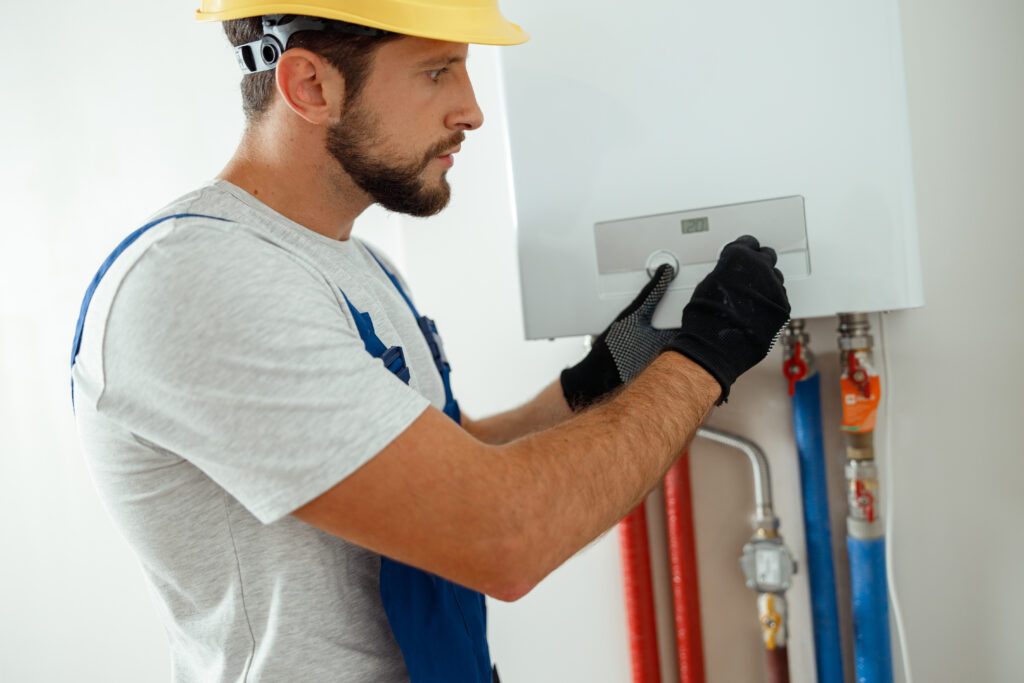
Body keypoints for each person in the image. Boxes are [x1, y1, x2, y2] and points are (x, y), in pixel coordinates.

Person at [70, 2, 791, 681]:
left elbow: (448, 463)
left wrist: (599, 379)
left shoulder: (351, 263)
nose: (472, 110)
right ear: (310, 84)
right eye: (437, 70)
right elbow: (500, 536)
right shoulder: (200, 282)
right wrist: (704, 361)